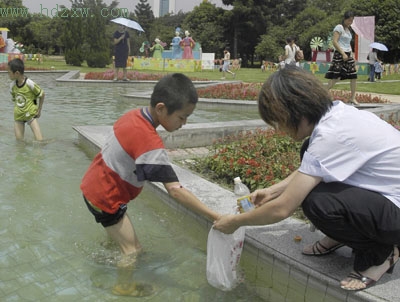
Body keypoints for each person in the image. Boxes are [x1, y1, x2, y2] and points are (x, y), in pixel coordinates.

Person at [213, 66, 400, 292]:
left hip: (395, 212)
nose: (279, 129)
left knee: (317, 203)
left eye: (278, 121)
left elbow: (283, 209)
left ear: (295, 112)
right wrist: (271, 191)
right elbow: (314, 166)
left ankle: (381, 254)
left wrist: (234, 223)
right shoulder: (337, 114)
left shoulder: (331, 135)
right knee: (307, 153)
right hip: (386, 199)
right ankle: (341, 236)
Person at [80, 73, 220, 296]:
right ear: (162, 109)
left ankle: (107, 256)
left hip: (94, 186)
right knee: (133, 250)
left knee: (119, 240)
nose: (184, 124)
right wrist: (215, 216)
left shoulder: (134, 115)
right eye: (182, 117)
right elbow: (175, 190)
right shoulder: (149, 141)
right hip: (105, 197)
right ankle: (123, 287)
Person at [325, 11, 358, 105]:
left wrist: (352, 56)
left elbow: (348, 44)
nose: (350, 22)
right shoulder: (339, 27)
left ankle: (352, 97)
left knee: (353, 76)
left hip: (348, 53)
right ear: (345, 19)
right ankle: (323, 93)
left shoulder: (349, 30)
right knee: (337, 76)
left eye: (351, 21)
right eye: (349, 20)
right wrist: (343, 53)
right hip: (340, 53)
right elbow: (334, 42)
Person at [8, 58, 45, 141]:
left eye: (9, 72)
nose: (8, 74)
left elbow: (42, 94)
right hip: (18, 117)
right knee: (19, 143)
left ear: (16, 73)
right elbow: (15, 100)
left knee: (40, 141)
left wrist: (39, 109)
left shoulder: (30, 84)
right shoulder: (12, 86)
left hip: (31, 115)